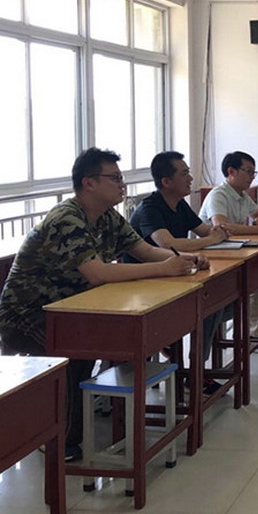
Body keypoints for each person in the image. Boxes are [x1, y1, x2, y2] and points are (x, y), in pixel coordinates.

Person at [0, 148, 198, 462]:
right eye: (115, 178)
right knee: (75, 353)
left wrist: (185, 259)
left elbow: (145, 250)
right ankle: (58, 439)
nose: (122, 184)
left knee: (92, 345)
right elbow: (97, 273)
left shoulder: (107, 216)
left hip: (73, 308)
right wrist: (165, 268)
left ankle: (77, 422)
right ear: (89, 183)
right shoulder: (67, 218)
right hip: (28, 314)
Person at [129, 151, 231, 389]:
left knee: (220, 301)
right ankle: (191, 370)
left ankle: (193, 365)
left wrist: (218, 233)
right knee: (208, 306)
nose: (191, 178)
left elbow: (205, 231)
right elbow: (168, 244)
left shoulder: (180, 204)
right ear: (166, 182)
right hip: (145, 284)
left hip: (175, 276)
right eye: (184, 174)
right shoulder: (150, 207)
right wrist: (210, 240)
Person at [199, 151, 258, 342]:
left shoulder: (242, 196)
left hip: (235, 249)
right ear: (231, 171)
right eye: (248, 172)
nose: (252, 177)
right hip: (214, 254)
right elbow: (222, 226)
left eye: (253, 172)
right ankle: (254, 332)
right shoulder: (218, 195)